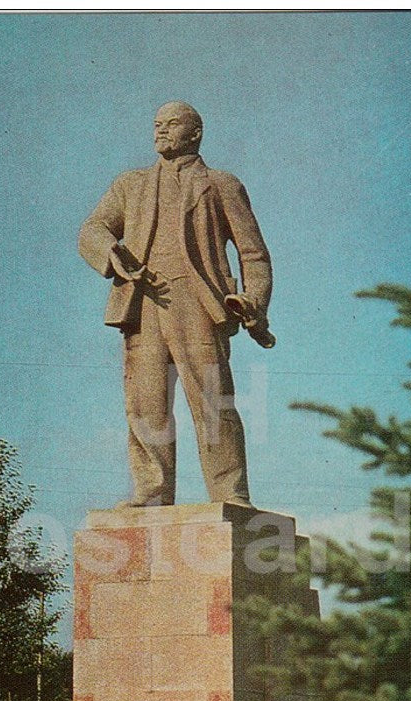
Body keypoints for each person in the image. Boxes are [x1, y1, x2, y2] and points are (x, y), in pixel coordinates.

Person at [79, 101, 273, 507]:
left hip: (199, 304)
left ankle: (229, 493)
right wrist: (110, 252)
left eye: (171, 124)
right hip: (143, 302)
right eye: (156, 125)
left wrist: (253, 301)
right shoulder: (130, 184)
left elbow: (253, 254)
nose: (160, 131)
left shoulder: (221, 185)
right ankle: (150, 493)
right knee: (146, 404)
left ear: (195, 133)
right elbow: (94, 228)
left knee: (212, 402)